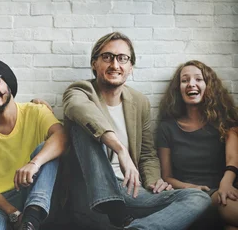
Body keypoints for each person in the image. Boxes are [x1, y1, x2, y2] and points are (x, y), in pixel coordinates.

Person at [62, 32, 210, 229]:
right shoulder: (80, 91)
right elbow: (78, 109)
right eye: (107, 57)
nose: (115, 65)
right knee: (83, 128)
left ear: (130, 67)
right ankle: (112, 206)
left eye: (122, 58)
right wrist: (120, 149)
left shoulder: (139, 102)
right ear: (94, 64)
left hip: (130, 191)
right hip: (91, 196)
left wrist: (153, 181)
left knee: (199, 198)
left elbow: (148, 153)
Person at [0, 56, 67, 230]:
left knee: (46, 148)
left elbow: (62, 136)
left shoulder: (36, 112)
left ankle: (32, 216)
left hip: (36, 191)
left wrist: (34, 163)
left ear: (8, 82)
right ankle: (28, 221)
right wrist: (13, 212)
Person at [157, 60, 238, 230]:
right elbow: (167, 176)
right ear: (178, 89)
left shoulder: (224, 121)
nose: (191, 84)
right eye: (185, 80)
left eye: (198, 79)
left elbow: (233, 158)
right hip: (190, 197)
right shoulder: (167, 127)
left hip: (223, 189)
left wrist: (226, 184)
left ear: (208, 85)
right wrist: (193, 188)